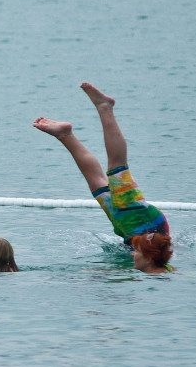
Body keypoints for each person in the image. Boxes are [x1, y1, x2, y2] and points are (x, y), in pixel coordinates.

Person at [33, 82, 174, 272]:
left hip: (133, 229)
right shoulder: (158, 270)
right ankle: (104, 107)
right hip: (141, 222)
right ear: (149, 258)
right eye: (137, 252)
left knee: (97, 182)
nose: (133, 255)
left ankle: (65, 135)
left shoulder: (160, 271)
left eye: (136, 253)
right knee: (117, 167)